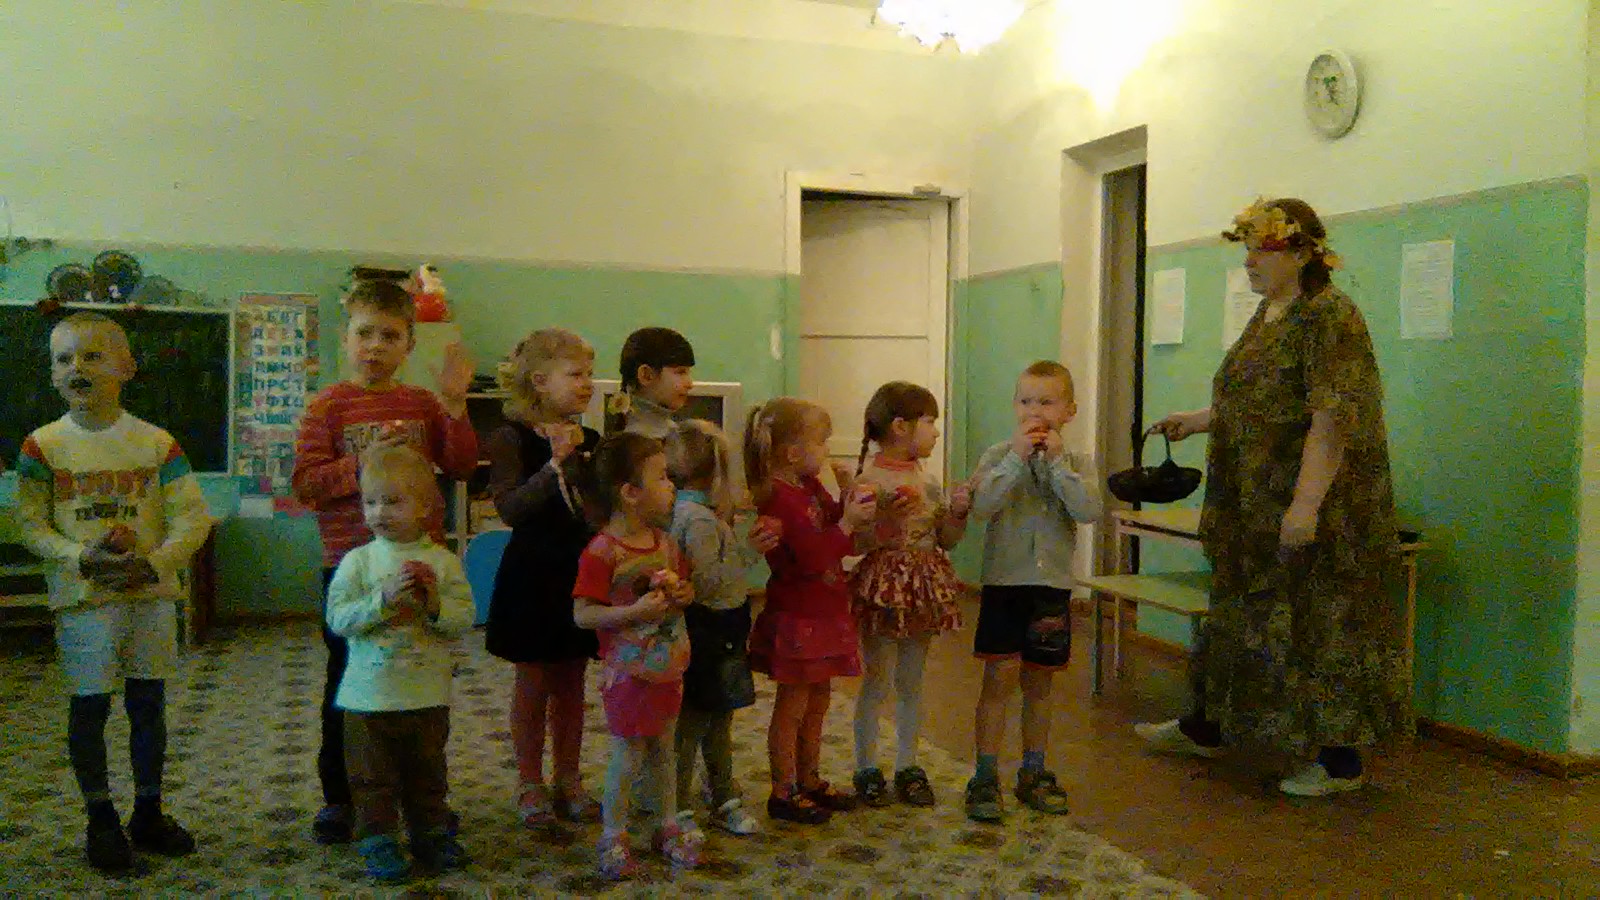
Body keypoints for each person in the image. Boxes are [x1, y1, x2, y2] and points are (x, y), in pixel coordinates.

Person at [1134, 197, 1409, 797]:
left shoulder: (1330, 316)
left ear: (1303, 253)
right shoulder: (1269, 313)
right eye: (1248, 250)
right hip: (1251, 503)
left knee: (1322, 625)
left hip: (1311, 506)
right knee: (1239, 613)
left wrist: (1305, 506)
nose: (1250, 262)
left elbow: (1332, 419)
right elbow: (1258, 399)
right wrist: (1197, 421)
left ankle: (1339, 764)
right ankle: (1208, 725)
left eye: (1262, 250)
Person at [13, 312, 215, 871]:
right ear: (52, 375)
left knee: (148, 702)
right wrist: (80, 557)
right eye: (63, 359)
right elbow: (30, 524)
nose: (76, 367)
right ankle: (100, 818)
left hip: (148, 596)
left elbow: (192, 518)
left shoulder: (157, 443)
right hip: (84, 601)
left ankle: (148, 810)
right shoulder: (42, 447)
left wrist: (153, 564)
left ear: (126, 367)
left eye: (93, 356)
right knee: (90, 705)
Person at [291, 279, 478, 843]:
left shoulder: (422, 404)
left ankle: (421, 798)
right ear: (345, 339)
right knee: (348, 686)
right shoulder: (327, 406)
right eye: (365, 333)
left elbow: (461, 465)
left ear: (409, 345)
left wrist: (456, 407)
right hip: (352, 567)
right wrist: (361, 462)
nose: (375, 346)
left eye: (390, 336)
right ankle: (341, 798)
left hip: (420, 565)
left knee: (420, 681)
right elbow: (305, 485)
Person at [326, 446, 474, 882]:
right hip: (368, 697)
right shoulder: (358, 561)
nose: (378, 513)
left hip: (426, 694)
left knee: (428, 772)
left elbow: (463, 618)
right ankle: (377, 838)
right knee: (372, 777)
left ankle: (431, 833)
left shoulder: (443, 562)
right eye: (370, 502)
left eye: (392, 501)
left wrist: (433, 604)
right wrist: (383, 600)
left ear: (425, 506)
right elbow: (338, 619)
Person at [963, 361, 1102, 822]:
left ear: (1069, 411)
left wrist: (1057, 465)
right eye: (1025, 401)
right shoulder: (997, 455)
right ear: (1014, 407)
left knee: (1039, 684)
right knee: (998, 680)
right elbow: (982, 506)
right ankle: (985, 774)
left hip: (1051, 589)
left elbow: (1088, 510)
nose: (1034, 411)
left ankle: (1034, 770)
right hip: (1005, 584)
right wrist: (1016, 460)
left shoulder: (1078, 462)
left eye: (1046, 402)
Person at [483, 329, 603, 829]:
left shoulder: (591, 442)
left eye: (589, 374)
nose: (587, 383)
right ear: (538, 381)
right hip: (532, 576)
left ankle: (569, 779)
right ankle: (530, 782)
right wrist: (555, 466)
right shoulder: (511, 437)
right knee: (532, 682)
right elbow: (510, 508)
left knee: (572, 681)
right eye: (575, 374)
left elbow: (597, 514)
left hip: (577, 574)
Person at [572, 432, 703, 879]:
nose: (672, 485)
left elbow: (685, 590)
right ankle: (614, 834)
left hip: (668, 666)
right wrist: (633, 612)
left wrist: (684, 593)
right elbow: (582, 614)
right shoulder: (603, 551)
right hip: (628, 673)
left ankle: (667, 825)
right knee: (628, 753)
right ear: (630, 492)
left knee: (666, 749)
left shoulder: (666, 543)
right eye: (662, 477)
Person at [744, 397, 875, 825]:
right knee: (794, 705)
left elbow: (832, 523)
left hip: (824, 610)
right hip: (800, 614)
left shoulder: (808, 486)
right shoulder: (780, 498)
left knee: (819, 700)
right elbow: (813, 556)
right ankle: (783, 789)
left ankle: (809, 778)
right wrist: (848, 522)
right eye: (822, 442)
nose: (828, 450)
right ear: (793, 452)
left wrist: (847, 496)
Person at [847, 382, 971, 808]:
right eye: (930, 422)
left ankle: (907, 765)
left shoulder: (929, 481)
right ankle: (866, 766)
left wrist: (957, 513)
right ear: (900, 427)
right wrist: (883, 522)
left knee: (913, 680)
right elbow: (857, 541)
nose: (936, 432)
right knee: (877, 678)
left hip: (923, 588)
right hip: (883, 588)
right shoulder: (869, 481)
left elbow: (947, 540)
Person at [664, 420, 779, 836]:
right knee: (701, 720)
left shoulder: (689, 513)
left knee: (713, 716)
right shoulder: (699, 521)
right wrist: (747, 551)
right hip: (710, 629)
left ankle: (719, 793)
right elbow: (708, 580)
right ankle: (679, 804)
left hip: (715, 627)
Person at [616, 326, 696, 439]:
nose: (690, 384)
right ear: (646, 375)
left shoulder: (672, 433)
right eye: (680, 372)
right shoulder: (632, 442)